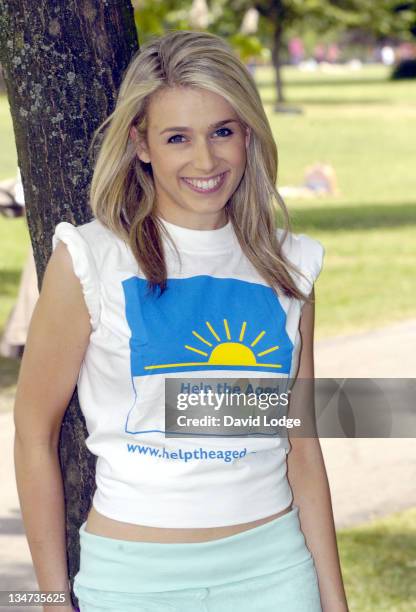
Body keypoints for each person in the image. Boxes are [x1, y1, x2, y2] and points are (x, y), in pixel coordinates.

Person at [14, 30, 348, 612]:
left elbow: (301, 442)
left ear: (248, 132)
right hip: (133, 582)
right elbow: (32, 433)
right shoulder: (92, 258)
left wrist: (334, 603)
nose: (205, 160)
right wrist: (49, 599)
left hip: (274, 571)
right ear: (141, 145)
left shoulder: (291, 265)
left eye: (223, 130)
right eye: (177, 138)